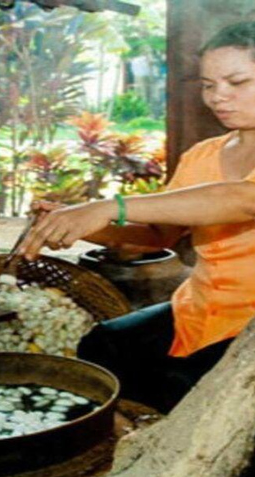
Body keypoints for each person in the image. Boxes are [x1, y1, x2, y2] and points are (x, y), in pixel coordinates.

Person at [17, 21, 255, 413]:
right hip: (198, 306)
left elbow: (242, 200)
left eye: (236, 82)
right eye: (208, 84)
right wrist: (83, 224)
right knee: (104, 345)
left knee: (186, 390)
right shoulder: (202, 155)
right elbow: (159, 234)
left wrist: (109, 206)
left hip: (247, 324)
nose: (218, 97)